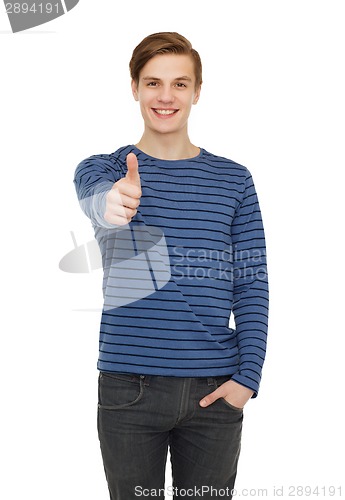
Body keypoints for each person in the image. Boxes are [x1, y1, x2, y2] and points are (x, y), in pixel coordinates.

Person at [74, 32, 269, 500]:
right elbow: (97, 198)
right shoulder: (105, 169)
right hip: (129, 389)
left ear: (197, 91)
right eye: (153, 83)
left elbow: (252, 282)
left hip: (215, 390)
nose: (166, 96)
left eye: (180, 84)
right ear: (135, 87)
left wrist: (248, 378)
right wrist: (113, 202)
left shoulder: (234, 180)